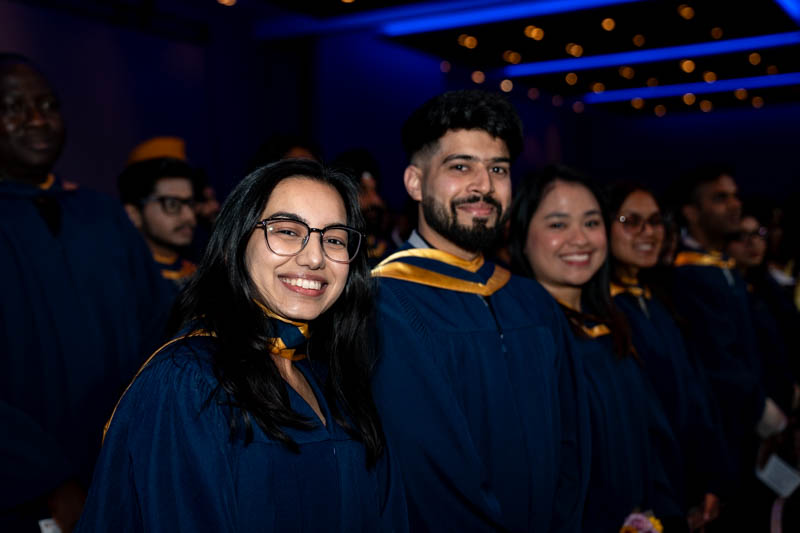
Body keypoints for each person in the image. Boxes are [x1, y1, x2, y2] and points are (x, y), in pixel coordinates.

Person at [76, 159, 408, 532]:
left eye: (333, 239)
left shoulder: (333, 374)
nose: (315, 258)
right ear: (237, 240)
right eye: (286, 231)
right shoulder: (190, 381)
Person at [371, 90, 589, 532]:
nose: (484, 186)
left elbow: (575, 444)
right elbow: (425, 478)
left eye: (498, 169)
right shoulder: (383, 305)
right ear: (414, 182)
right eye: (460, 166)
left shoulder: (532, 302)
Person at [0, 53, 171, 532]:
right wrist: (46, 478)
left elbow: (158, 327)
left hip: (123, 463)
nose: (37, 119)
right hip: (26, 493)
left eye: (47, 104)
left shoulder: (101, 215)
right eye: (13, 107)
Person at [508, 166, 683, 532]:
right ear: (521, 236)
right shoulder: (520, 342)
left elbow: (650, 439)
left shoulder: (612, 323)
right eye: (558, 225)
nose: (580, 239)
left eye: (591, 223)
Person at [607, 182, 729, 530]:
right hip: (653, 498)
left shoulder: (658, 300)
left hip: (690, 484)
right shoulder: (605, 317)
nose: (648, 232)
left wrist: (710, 481)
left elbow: (697, 397)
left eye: (656, 221)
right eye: (630, 220)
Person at [669, 166, 786, 530]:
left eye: (735, 195)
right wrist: (766, 412)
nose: (734, 205)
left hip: (749, 434)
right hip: (721, 439)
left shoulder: (724, 266)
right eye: (720, 198)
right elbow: (717, 363)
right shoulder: (684, 276)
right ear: (692, 212)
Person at [118, 154, 202, 288]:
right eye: (172, 204)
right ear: (133, 214)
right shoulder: (125, 281)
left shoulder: (199, 275)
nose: (189, 216)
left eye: (190, 204)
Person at [333, 148, 393, 266]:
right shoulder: (332, 253)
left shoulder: (388, 251)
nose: (376, 201)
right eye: (363, 191)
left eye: (376, 190)